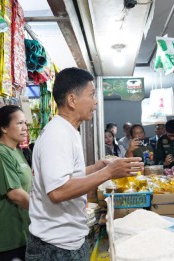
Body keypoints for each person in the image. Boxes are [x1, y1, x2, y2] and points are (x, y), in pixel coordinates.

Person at [26, 67, 143, 260]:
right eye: (91, 95)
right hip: (56, 246)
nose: (96, 102)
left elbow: (67, 176)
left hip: (67, 240)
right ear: (72, 100)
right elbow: (58, 191)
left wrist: (97, 167)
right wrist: (108, 173)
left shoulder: (68, 131)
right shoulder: (57, 135)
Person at [0, 105, 31, 261]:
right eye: (19, 123)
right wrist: (46, 212)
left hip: (19, 234)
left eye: (25, 124)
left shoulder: (16, 151)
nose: (25, 128)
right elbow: (16, 194)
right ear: (3, 127)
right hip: (1, 240)